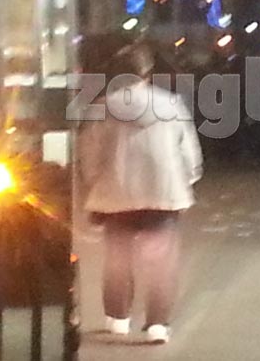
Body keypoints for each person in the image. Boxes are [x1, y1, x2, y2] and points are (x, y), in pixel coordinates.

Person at [78, 44, 203, 344]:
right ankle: (157, 324)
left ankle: (118, 318)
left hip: (116, 194)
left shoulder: (101, 108)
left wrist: (94, 183)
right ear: (147, 72)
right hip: (163, 192)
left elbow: (89, 155)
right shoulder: (171, 104)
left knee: (117, 256)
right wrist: (188, 178)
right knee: (161, 261)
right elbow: (188, 151)